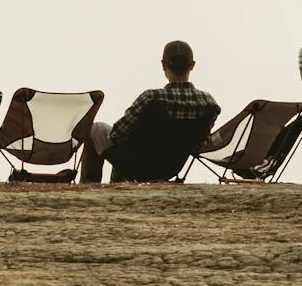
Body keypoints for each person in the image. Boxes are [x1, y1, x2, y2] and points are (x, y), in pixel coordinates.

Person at [79, 40, 219, 183]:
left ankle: (88, 186)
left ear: (163, 66)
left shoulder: (151, 98)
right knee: (127, 145)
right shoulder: (209, 104)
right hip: (170, 168)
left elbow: (116, 135)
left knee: (95, 129)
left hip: (135, 165)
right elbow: (199, 144)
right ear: (192, 65)